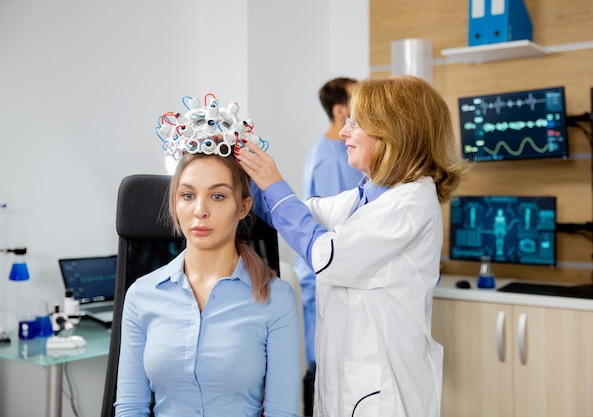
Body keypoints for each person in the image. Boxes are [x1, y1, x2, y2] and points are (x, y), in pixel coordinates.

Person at [237, 75, 468, 417]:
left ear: (394, 132)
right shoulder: (367, 197)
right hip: (350, 383)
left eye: (356, 123)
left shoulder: (408, 204)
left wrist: (274, 182)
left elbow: (325, 255)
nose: (343, 132)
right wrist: (242, 171)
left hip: (382, 392)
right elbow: (300, 213)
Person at [114, 147, 301, 416]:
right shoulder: (141, 295)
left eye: (218, 196)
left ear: (243, 206)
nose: (200, 210)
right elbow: (130, 408)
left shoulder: (276, 298)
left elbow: (282, 412)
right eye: (188, 195)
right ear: (174, 204)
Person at [296, 76, 363, 372]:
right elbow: (340, 227)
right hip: (327, 275)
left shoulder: (341, 152)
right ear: (340, 112)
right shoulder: (331, 160)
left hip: (339, 273)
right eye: (356, 100)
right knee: (325, 369)